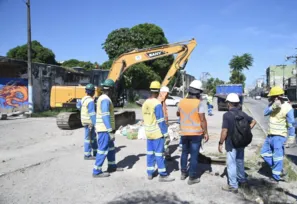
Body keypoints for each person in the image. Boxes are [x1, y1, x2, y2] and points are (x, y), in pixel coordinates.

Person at [218, 93, 256, 193]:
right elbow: (253, 121)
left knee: (231, 163)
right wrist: (247, 130)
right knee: (240, 161)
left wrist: (220, 142)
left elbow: (224, 131)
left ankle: (233, 185)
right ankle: (242, 180)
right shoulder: (243, 114)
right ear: (237, 104)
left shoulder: (226, 115)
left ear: (229, 104)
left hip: (231, 142)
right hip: (241, 141)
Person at [177, 80, 209, 185]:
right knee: (194, 155)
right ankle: (192, 177)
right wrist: (206, 133)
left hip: (184, 133)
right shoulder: (199, 103)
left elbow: (178, 113)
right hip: (196, 134)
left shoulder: (181, 102)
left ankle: (183, 173)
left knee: (184, 153)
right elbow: (203, 120)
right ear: (199, 92)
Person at [261, 86, 295, 183]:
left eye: (273, 96)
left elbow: (291, 123)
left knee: (277, 157)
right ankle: (279, 170)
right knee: (264, 153)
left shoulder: (288, 107)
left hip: (279, 136)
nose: (271, 98)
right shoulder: (272, 105)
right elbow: (265, 113)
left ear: (278, 96)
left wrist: (291, 137)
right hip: (270, 135)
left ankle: (276, 178)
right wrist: (274, 106)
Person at [142, 81, 175, 182]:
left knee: (150, 153)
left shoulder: (145, 103)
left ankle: (150, 173)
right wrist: (166, 134)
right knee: (159, 154)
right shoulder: (157, 104)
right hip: (157, 133)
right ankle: (163, 175)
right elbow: (161, 120)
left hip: (148, 132)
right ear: (159, 91)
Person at [93, 79, 123, 178]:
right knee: (102, 149)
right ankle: (97, 171)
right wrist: (110, 130)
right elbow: (105, 115)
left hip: (106, 128)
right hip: (104, 129)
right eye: (113, 89)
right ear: (111, 89)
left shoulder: (103, 98)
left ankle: (112, 166)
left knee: (111, 148)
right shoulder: (105, 99)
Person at [76, 84, 98, 160]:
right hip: (89, 122)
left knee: (93, 137)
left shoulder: (83, 99)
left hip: (85, 122)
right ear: (93, 92)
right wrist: (96, 124)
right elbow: (92, 114)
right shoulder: (90, 101)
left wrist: (83, 111)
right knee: (88, 139)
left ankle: (95, 152)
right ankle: (87, 155)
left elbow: (78, 106)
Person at [158, 86, 172, 160]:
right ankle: (164, 153)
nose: (167, 95)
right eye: (167, 93)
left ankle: (164, 151)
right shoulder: (159, 101)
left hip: (164, 123)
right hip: (161, 124)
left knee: (165, 139)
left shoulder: (163, 101)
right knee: (165, 138)